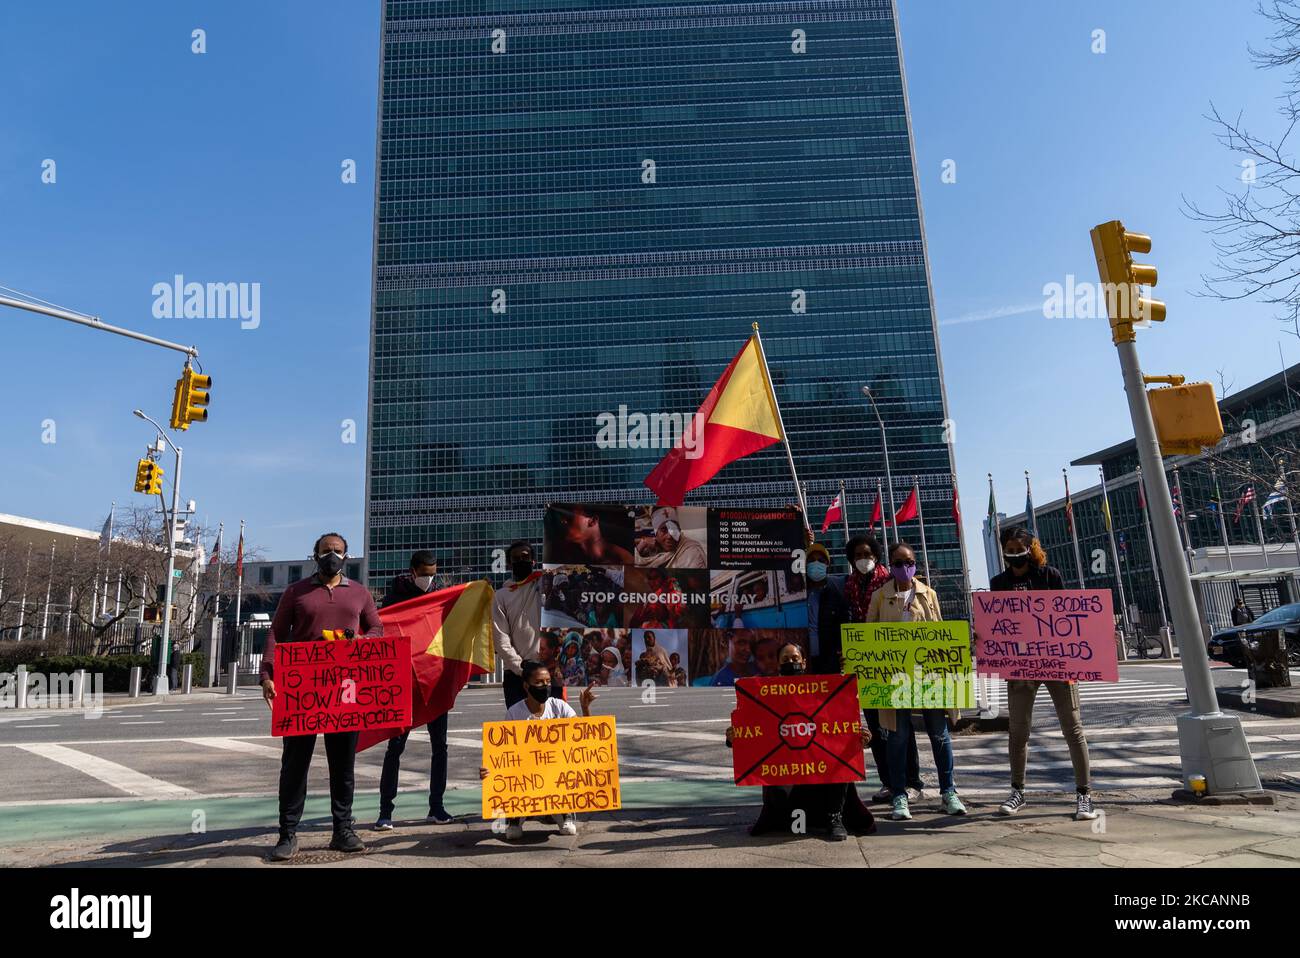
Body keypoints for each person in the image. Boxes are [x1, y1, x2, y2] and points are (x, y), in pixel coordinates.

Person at [261, 533, 383, 861]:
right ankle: (287, 833)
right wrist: (267, 674)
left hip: (345, 690)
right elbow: (276, 631)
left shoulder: (360, 593)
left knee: (343, 764)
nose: (332, 555)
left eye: (338, 551)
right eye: (326, 550)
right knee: (294, 765)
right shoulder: (295, 592)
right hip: (303, 691)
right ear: (315, 555)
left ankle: (343, 829)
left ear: (347, 556)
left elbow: (377, 629)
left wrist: (361, 640)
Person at [989, 526, 1099, 822]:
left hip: (1055, 661)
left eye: (1017, 549)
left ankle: (1084, 794)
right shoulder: (998, 583)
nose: (1013, 554)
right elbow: (997, 623)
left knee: (1073, 729)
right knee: (1018, 730)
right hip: (1020, 662)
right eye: (1008, 550)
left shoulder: (1050, 576)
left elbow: (1067, 618)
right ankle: (1017, 790)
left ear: (1029, 547)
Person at [725, 643, 876, 840]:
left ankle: (834, 818)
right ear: (778, 665)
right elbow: (754, 733)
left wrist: (861, 738)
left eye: (795, 659)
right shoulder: (764, 694)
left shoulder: (823, 692)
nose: (791, 663)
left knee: (840, 763)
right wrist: (733, 739)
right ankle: (786, 817)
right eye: (785, 660)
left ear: (804, 662)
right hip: (787, 776)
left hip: (820, 773)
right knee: (778, 791)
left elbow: (840, 730)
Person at [866, 541, 966, 821]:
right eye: (897, 563)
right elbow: (869, 636)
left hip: (929, 674)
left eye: (908, 562)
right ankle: (899, 795)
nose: (903, 568)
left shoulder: (929, 594)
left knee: (939, 734)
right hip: (896, 677)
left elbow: (942, 632)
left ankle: (949, 792)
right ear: (890, 566)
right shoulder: (880, 597)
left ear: (915, 564)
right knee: (897, 738)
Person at [374, 550, 454, 830]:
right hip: (404, 681)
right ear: (412, 571)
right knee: (395, 747)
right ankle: (385, 811)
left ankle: (437, 806)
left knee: (440, 747)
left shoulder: (441, 593)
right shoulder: (396, 594)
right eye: (424, 573)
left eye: (432, 573)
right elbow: (381, 624)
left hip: (433, 680)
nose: (428, 578)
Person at [839, 533, 922, 803]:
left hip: (896, 664)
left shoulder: (890, 581)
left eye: (868, 555)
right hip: (868, 665)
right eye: (858, 556)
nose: (864, 559)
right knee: (875, 725)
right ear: (851, 560)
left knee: (900, 727)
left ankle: (912, 781)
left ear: (876, 556)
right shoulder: (849, 585)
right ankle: (888, 781)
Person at [478, 660, 597, 840]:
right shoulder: (514, 713)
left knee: (568, 829)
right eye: (539, 682)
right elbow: (503, 753)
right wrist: (490, 771)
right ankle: (515, 818)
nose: (545, 686)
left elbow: (584, 739)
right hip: (526, 778)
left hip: (556, 776)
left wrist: (585, 709)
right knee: (514, 833)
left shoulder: (559, 706)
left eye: (548, 682)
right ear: (526, 686)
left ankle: (565, 812)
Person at [491, 540, 563, 708]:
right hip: (517, 676)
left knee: (554, 728)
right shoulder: (501, 596)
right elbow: (501, 638)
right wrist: (521, 668)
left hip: (548, 672)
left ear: (533, 561)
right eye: (516, 558)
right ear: (509, 563)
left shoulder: (544, 585)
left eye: (525, 557)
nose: (521, 561)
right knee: (520, 729)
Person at [636, 505, 707, 567]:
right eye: (663, 530)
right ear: (656, 534)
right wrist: (641, 546)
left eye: (673, 528)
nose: (669, 536)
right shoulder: (650, 549)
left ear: (679, 529)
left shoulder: (692, 552)